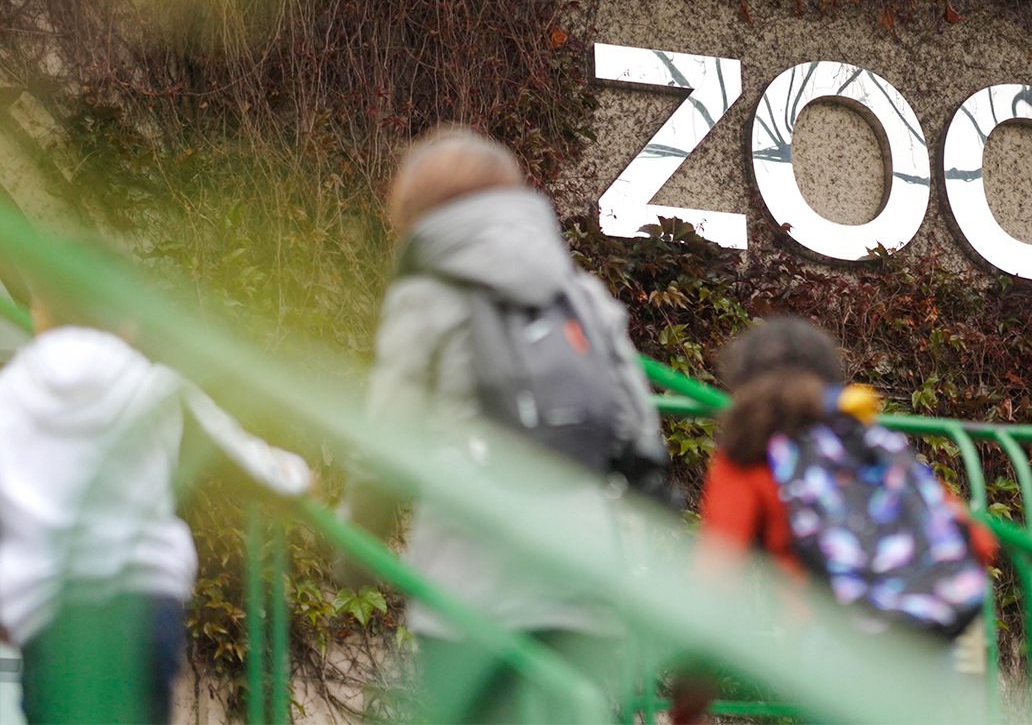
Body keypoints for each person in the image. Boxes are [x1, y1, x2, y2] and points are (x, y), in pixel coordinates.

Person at [341, 125, 669, 723]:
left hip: (471, 572)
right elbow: (639, 430)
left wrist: (357, 534)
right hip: (582, 569)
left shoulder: (427, 296)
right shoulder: (582, 295)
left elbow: (391, 433)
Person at [0, 289, 313, 724]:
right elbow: (257, 468)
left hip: (49, 612)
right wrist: (296, 474)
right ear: (130, 322)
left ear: (40, 314)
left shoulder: (7, 396)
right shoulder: (156, 388)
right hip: (142, 600)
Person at [673, 317, 998, 723]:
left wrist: (688, 700)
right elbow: (979, 541)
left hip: (835, 639)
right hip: (927, 636)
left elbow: (715, 581)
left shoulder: (748, 451)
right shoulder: (866, 439)